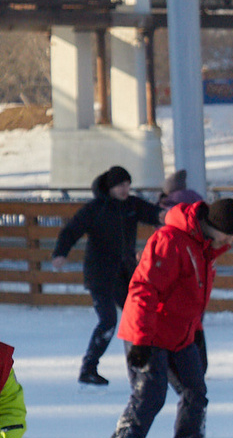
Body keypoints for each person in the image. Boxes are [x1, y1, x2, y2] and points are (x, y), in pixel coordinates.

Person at [101, 194, 233, 438]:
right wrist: (141, 341)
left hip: (180, 335)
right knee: (149, 395)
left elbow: (188, 297)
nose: (229, 240)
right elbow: (144, 288)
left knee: (196, 391)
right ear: (213, 224)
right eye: (227, 233)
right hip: (148, 331)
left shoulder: (205, 247)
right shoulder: (171, 239)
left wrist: (197, 334)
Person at [49, 165, 160, 386]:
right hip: (99, 275)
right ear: (110, 187)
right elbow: (72, 230)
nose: (125, 189)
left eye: (128, 184)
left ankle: (139, 366)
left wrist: (172, 216)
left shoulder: (132, 205)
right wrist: (60, 253)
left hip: (124, 274)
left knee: (137, 317)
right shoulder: (96, 208)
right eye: (120, 185)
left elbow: (156, 214)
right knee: (108, 320)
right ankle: (88, 369)